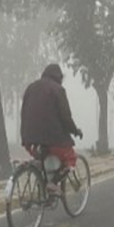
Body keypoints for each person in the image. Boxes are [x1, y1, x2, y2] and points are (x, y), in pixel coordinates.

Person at [21, 63, 83, 193]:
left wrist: (24, 137)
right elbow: (66, 117)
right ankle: (53, 183)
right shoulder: (58, 90)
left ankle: (42, 185)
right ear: (59, 77)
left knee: (43, 156)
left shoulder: (31, 88)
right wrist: (75, 130)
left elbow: (24, 112)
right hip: (52, 138)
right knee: (70, 157)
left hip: (30, 140)